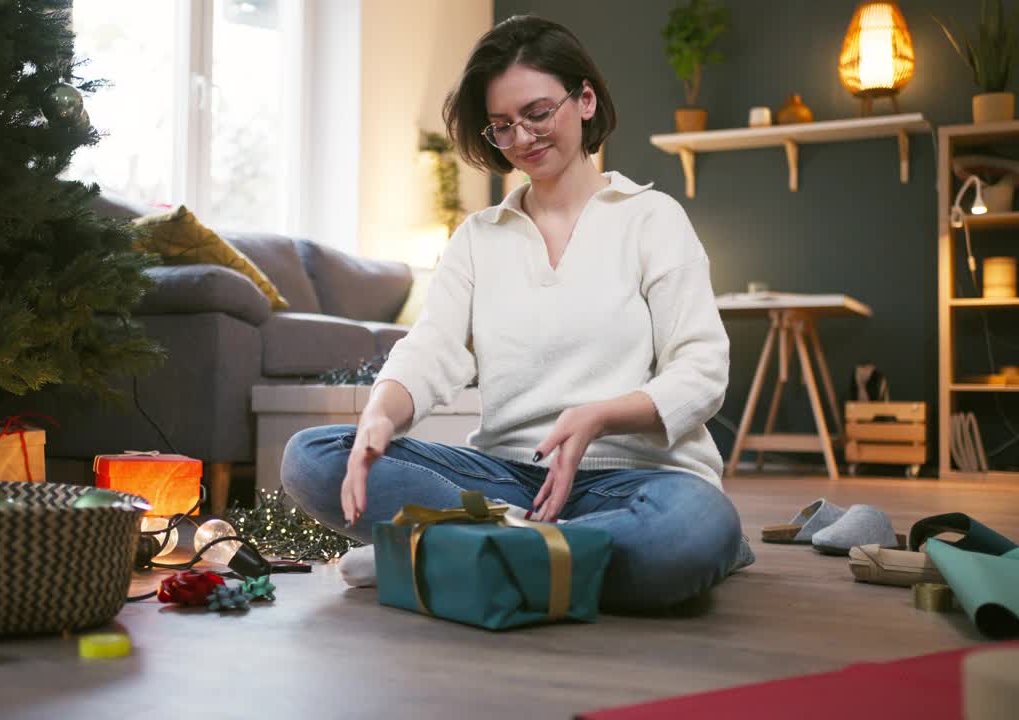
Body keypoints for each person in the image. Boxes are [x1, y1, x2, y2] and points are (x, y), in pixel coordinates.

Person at [281, 15, 749, 612]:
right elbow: (433, 347)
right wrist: (378, 415)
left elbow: (702, 369)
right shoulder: (478, 237)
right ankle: (522, 554)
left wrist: (599, 417)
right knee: (311, 458)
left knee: (692, 530)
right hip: (506, 480)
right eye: (503, 125)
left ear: (584, 100)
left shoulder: (651, 218)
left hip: (641, 479)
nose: (523, 136)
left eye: (537, 112)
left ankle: (448, 552)